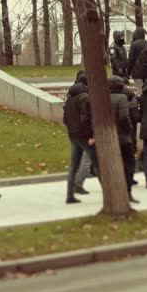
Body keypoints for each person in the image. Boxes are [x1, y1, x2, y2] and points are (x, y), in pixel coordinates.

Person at [63, 72, 98, 204]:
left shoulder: (70, 96)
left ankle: (70, 195)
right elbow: (86, 118)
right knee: (96, 163)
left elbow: (65, 118)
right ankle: (110, 193)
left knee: (74, 166)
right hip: (84, 136)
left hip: (73, 135)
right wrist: (90, 135)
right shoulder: (84, 97)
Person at [109, 77, 139, 203]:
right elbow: (124, 117)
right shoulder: (122, 98)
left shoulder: (104, 98)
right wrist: (129, 129)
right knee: (130, 163)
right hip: (122, 136)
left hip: (109, 136)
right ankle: (127, 191)